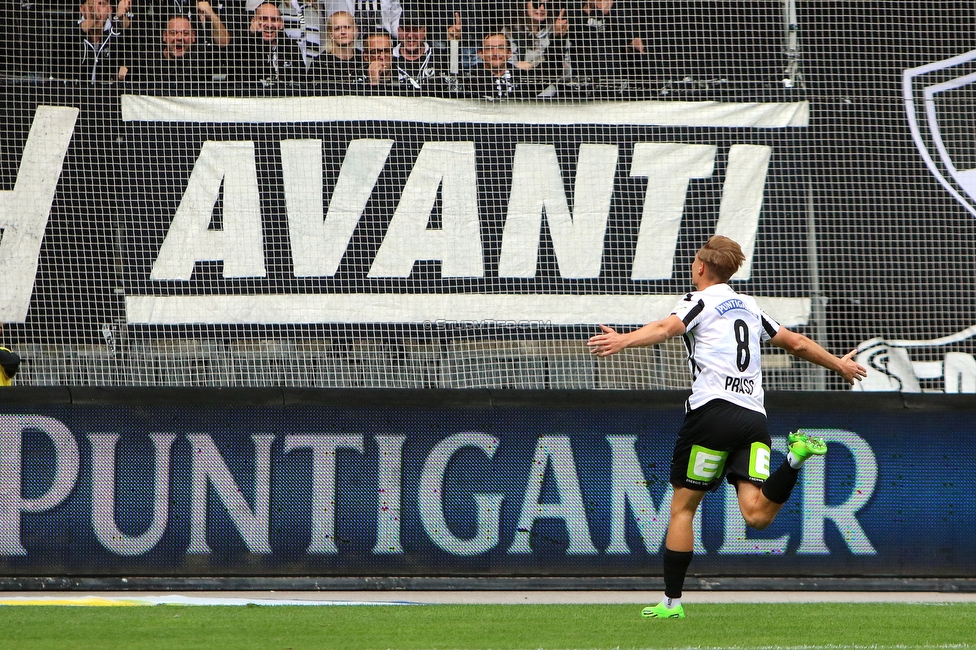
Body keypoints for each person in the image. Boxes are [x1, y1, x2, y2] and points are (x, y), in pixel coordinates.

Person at [586, 236, 867, 620]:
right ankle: (796, 459)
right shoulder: (750, 306)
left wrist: (623, 340)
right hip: (753, 419)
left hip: (712, 414)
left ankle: (671, 604)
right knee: (756, 515)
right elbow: (797, 343)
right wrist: (841, 365)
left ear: (700, 267)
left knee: (683, 510)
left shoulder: (698, 300)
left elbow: (666, 327)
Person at [566, 0, 646, 85]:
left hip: (614, 77)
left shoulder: (616, 13)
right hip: (584, 77)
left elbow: (628, 38)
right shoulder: (573, 14)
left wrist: (608, 13)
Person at [135, 12, 230, 83]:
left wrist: (211, 14)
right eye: (173, 33)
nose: (179, 38)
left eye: (185, 33)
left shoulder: (201, 57)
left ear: (193, 36)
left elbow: (224, 43)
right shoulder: (148, 60)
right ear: (165, 36)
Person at [234, 2, 306, 85]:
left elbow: (302, 81)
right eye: (263, 19)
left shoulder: (291, 47)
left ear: (281, 24)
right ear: (254, 21)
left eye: (274, 19)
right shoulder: (244, 46)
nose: (269, 24)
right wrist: (251, 36)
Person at [459, 31, 544, 100]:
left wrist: (557, 35)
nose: (495, 53)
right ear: (480, 54)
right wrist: (454, 42)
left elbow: (552, 68)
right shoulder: (469, 78)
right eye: (489, 48)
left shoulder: (523, 78)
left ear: (509, 53)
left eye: (501, 48)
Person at [501, 1, 570, 84]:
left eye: (546, 5)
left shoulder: (556, 31)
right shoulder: (509, 32)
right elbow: (509, 70)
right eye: (536, 4)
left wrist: (530, 65)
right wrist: (544, 62)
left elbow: (566, 71)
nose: (542, 8)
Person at [71, 0, 134, 82]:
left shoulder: (117, 35)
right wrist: (92, 20)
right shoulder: (71, 33)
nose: (95, 9)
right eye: (91, 5)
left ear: (109, 10)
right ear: (82, 9)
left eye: (101, 4)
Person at [310, 9, 359, 85]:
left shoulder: (362, 59)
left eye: (347, 27)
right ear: (331, 34)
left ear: (354, 31)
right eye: (337, 28)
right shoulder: (320, 63)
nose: (343, 32)